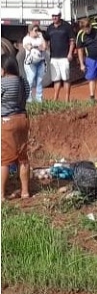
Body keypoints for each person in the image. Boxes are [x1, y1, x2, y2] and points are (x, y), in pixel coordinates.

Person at [1, 54, 31, 199]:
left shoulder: (2, 83)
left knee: (5, 160)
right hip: (23, 120)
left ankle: (1, 194)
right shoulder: (23, 81)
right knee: (22, 158)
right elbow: (27, 95)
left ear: (3, 69)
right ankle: (25, 191)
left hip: (7, 122)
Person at [44, 8, 75, 101]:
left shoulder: (67, 26)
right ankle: (55, 98)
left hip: (64, 57)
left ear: (60, 16)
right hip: (54, 57)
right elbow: (46, 39)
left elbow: (72, 41)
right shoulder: (50, 28)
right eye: (53, 16)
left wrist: (70, 53)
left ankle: (67, 99)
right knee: (56, 79)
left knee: (66, 79)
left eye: (56, 16)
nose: (54, 18)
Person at [22, 24, 47, 103]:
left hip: (40, 61)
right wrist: (37, 47)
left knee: (39, 80)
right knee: (30, 80)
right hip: (30, 62)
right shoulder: (26, 38)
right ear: (30, 31)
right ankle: (29, 99)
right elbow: (28, 46)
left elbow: (44, 47)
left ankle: (39, 99)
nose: (37, 32)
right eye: (35, 30)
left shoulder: (40, 38)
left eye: (38, 30)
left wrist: (42, 37)